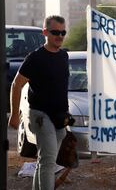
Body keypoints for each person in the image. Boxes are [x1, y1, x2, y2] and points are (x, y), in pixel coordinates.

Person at [8, 15, 69, 190]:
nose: (60, 36)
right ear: (45, 32)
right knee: (49, 162)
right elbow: (16, 85)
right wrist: (13, 115)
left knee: (45, 161)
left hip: (59, 117)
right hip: (40, 116)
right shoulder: (35, 58)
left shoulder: (64, 56)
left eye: (63, 32)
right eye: (55, 32)